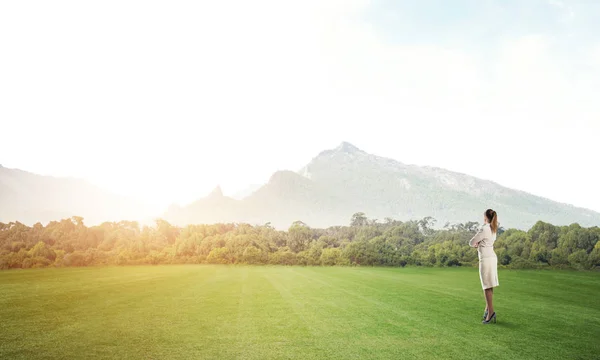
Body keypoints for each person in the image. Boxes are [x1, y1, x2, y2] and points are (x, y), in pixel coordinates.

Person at [469, 209, 499, 324]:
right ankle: (487, 309)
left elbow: (471, 242)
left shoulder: (484, 228)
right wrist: (480, 244)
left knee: (486, 286)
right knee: (490, 285)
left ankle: (491, 312)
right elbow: (486, 242)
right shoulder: (493, 229)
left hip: (486, 259)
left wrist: (476, 244)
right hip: (492, 258)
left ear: (485, 217)